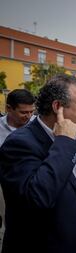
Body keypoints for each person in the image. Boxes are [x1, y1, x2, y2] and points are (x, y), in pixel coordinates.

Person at [0, 74, 76, 253]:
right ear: (58, 107)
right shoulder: (20, 143)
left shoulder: (74, 134)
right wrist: (64, 142)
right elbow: (36, 196)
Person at [0, 89, 35, 232]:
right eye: (23, 112)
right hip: (4, 186)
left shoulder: (36, 125)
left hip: (30, 184)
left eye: (31, 111)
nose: (28, 116)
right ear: (8, 108)